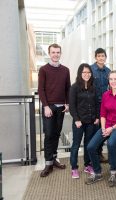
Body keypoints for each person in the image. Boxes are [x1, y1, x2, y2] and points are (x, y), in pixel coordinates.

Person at [85, 70, 116, 187]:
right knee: (91, 146)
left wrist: (111, 128)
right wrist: (104, 128)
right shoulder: (106, 95)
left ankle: (113, 172)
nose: (113, 81)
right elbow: (102, 114)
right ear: (109, 81)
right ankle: (97, 172)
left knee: (111, 143)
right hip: (107, 125)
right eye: (111, 79)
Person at [38, 43, 71, 177]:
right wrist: (45, 106)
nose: (56, 54)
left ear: (60, 53)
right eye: (53, 52)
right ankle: (48, 163)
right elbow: (41, 89)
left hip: (61, 107)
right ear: (49, 53)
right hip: (49, 107)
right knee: (49, 134)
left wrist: (67, 103)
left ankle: (54, 159)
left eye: (58, 52)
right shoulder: (44, 70)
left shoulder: (65, 70)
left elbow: (68, 88)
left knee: (57, 134)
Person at [69, 64, 99, 179]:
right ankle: (74, 168)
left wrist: (97, 117)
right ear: (80, 74)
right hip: (79, 122)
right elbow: (72, 106)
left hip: (91, 121)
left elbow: (96, 103)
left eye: (88, 72)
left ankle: (87, 165)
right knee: (76, 145)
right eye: (84, 72)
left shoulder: (93, 87)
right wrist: (76, 119)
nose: (86, 74)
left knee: (88, 144)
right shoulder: (74, 87)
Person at [90, 48, 111, 163]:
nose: (101, 58)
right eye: (99, 56)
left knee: (105, 128)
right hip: (94, 104)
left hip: (106, 104)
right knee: (95, 129)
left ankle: (100, 152)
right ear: (95, 57)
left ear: (105, 57)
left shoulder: (108, 71)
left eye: (103, 56)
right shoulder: (91, 70)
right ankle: (94, 154)